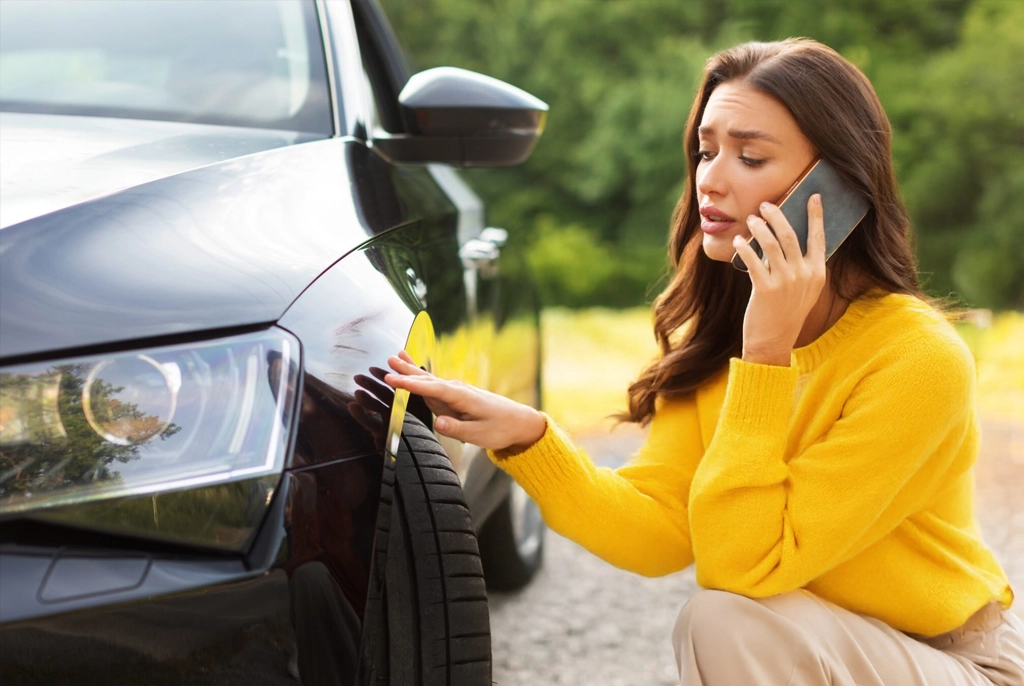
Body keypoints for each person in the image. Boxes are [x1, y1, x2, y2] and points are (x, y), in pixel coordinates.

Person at [384, 39, 1023, 685]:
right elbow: (657, 531)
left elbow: (744, 568)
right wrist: (529, 439)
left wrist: (767, 357)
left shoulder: (918, 358)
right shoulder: (724, 340)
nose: (711, 179)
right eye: (705, 150)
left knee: (723, 620)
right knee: (728, 622)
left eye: (749, 156)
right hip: (809, 651)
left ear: (836, 188)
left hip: (952, 660)